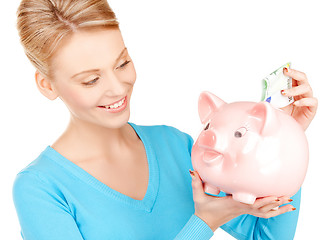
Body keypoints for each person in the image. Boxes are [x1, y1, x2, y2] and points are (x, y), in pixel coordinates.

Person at [12, 0, 318, 239]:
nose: (118, 88)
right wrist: (204, 223)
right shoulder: (41, 189)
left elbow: (265, 236)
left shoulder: (175, 146)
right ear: (47, 85)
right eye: (91, 80)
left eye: (122, 63)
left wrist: (284, 141)